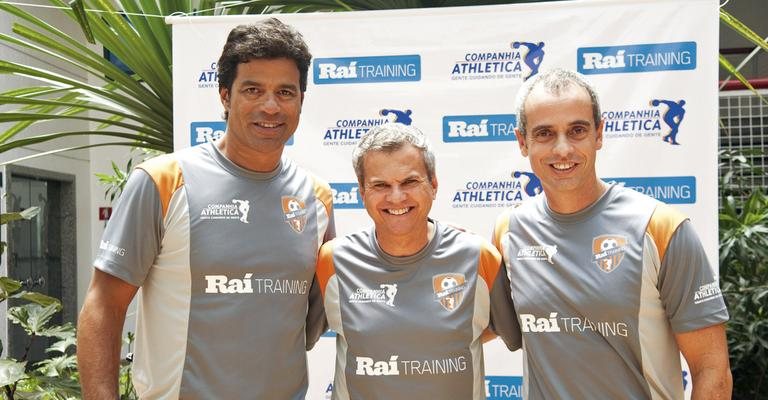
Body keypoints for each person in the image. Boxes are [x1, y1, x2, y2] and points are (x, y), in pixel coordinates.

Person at [77, 18, 335, 399]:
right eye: (253, 89)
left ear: (300, 100)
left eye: (285, 91)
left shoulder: (317, 198)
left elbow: (309, 322)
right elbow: (103, 306)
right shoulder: (163, 181)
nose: (270, 105)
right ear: (225, 96)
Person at [493, 68, 731, 399]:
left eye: (577, 130)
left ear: (599, 134)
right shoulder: (509, 231)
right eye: (545, 133)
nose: (562, 149)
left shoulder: (660, 228)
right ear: (523, 141)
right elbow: (463, 325)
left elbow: (712, 370)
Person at [316, 123, 521, 400]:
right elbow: (292, 335)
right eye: (380, 185)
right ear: (362, 193)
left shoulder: (479, 257)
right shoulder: (333, 261)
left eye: (410, 182)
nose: (396, 196)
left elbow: (513, 332)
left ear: (433, 185)